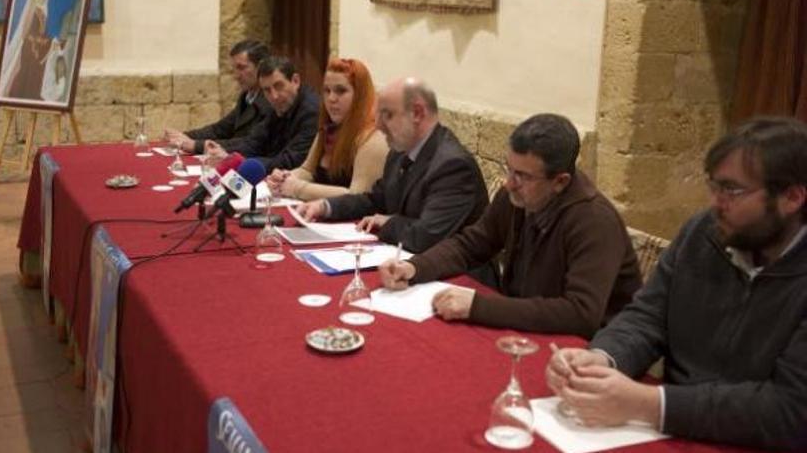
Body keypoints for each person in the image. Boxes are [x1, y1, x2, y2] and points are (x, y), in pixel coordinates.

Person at [545, 117, 807, 450]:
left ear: (792, 198)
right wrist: (601, 357)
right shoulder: (703, 232)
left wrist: (649, 403)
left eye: (732, 191)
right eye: (714, 186)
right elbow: (648, 316)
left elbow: (790, 410)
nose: (715, 202)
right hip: (674, 431)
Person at [379, 114, 641, 337]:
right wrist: (414, 267)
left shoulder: (594, 221)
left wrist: (478, 307)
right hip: (526, 328)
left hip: (588, 352)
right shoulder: (516, 196)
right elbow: (471, 244)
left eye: (523, 176)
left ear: (560, 182)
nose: (509, 183)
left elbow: (580, 313)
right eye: (509, 169)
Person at [297, 77, 488, 253]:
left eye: (387, 115)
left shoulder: (453, 166)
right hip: (405, 260)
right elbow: (375, 200)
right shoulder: (399, 152)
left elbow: (424, 237)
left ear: (418, 113)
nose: (378, 126)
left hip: (459, 279)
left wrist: (389, 222)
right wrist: (326, 206)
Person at [265, 58, 388, 201]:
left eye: (340, 91)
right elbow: (307, 171)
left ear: (360, 95)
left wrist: (298, 188)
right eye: (327, 91)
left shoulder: (373, 137)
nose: (331, 98)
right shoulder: (328, 129)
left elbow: (358, 196)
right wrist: (284, 178)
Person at [205, 56, 318, 173]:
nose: (274, 96)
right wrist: (225, 154)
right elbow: (254, 142)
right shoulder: (276, 105)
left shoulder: (311, 112)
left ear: (295, 81)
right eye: (267, 90)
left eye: (279, 86)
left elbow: (289, 161)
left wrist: (239, 162)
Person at [164, 40, 272, 154]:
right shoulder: (247, 96)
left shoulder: (270, 100)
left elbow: (251, 142)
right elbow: (220, 129)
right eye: (234, 69)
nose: (236, 76)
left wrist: (198, 145)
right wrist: (184, 136)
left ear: (261, 67)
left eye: (242, 68)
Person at [0, 0, 51, 100]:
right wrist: (36, 41)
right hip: (30, 45)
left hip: (33, 44)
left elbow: (38, 32)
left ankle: (27, 94)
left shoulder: (39, 10)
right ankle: (21, 94)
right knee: (25, 70)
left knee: (28, 70)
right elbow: (28, 32)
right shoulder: (36, 11)